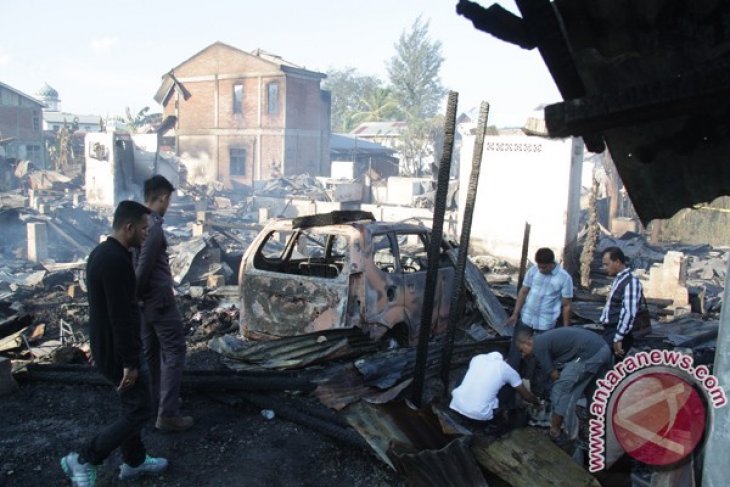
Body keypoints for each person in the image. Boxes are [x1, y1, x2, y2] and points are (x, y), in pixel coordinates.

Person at [61, 201, 168, 486]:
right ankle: (84, 458)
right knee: (141, 410)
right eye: (144, 228)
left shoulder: (102, 253)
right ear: (128, 227)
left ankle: (134, 461)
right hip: (119, 353)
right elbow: (121, 317)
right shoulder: (115, 262)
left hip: (108, 348)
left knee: (132, 407)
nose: (147, 234)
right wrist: (130, 363)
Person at [135, 175, 193, 432]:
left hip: (145, 302)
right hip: (157, 300)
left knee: (151, 352)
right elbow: (145, 264)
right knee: (174, 351)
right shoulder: (153, 227)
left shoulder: (137, 222)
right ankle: (167, 414)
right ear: (162, 198)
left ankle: (157, 400)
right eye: (168, 199)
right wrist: (135, 294)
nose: (168, 204)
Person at [515, 327, 611, 445]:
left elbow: (555, 375)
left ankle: (555, 431)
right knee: (592, 390)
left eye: (522, 350)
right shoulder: (544, 338)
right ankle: (595, 424)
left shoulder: (538, 346)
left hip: (590, 354)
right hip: (602, 348)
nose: (523, 355)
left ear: (528, 342)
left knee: (560, 390)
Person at [505, 248, 573, 373]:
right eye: (539, 266)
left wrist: (566, 329)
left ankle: (531, 384)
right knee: (515, 352)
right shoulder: (533, 271)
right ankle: (510, 380)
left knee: (538, 356)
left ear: (552, 263)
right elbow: (524, 291)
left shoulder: (564, 278)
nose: (541, 270)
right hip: (526, 319)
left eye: (544, 267)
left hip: (545, 325)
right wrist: (515, 314)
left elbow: (567, 305)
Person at [450, 352, 540, 426]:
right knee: (510, 387)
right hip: (480, 416)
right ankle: (504, 414)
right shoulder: (505, 368)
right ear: (504, 360)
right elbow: (526, 394)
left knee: (465, 374)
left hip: (456, 405)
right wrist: (537, 403)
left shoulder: (477, 358)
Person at [600, 246, 644, 359]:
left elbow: (629, 312)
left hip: (618, 332)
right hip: (611, 329)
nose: (604, 268)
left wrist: (618, 338)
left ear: (618, 262)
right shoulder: (620, 279)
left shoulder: (631, 282)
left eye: (607, 264)